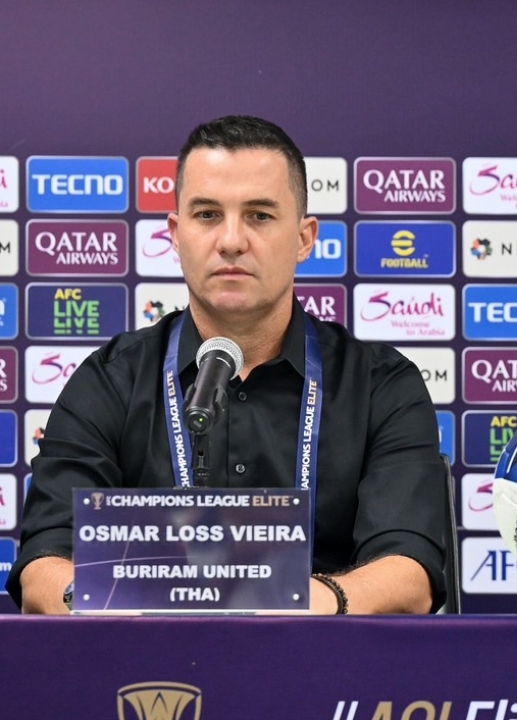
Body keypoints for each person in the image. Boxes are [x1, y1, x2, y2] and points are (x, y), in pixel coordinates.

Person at [8, 116, 450, 614]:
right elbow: (44, 567)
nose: (232, 240)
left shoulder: (379, 385)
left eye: (259, 215)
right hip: (147, 655)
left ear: (304, 239)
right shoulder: (109, 381)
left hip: (325, 656)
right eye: (207, 215)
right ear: (176, 234)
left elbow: (409, 574)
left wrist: (292, 603)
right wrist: (123, 601)